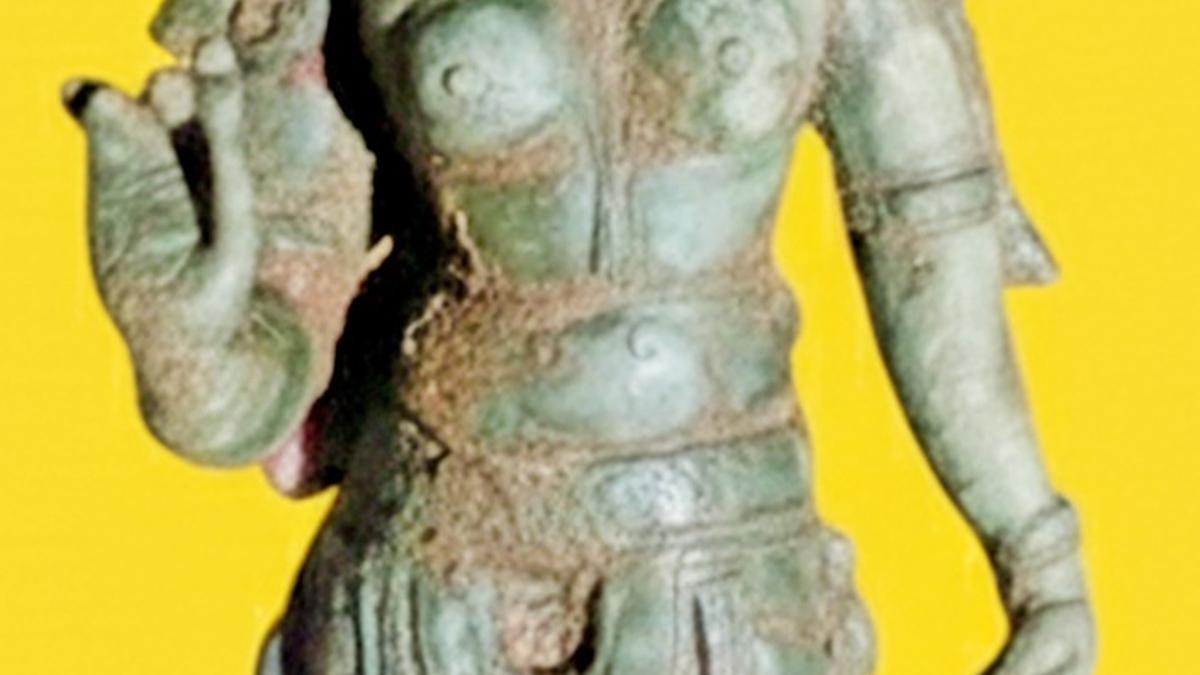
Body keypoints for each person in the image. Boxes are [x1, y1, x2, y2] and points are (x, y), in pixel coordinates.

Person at [65, 0, 1094, 672]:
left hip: (724, 570)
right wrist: (194, 368)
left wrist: (1039, 559)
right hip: (434, 567)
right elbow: (282, 335)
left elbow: (930, 268)